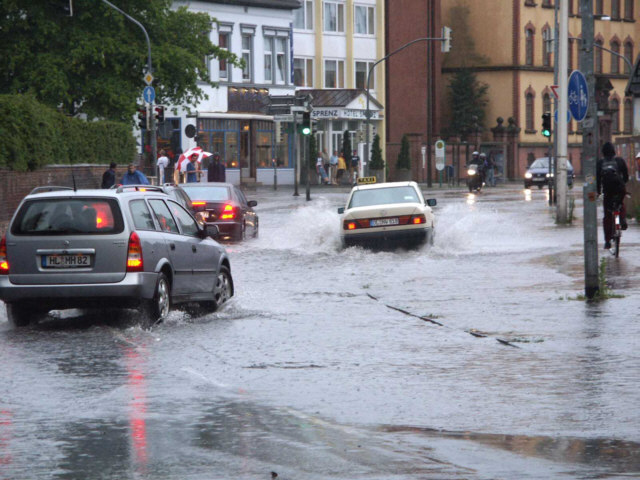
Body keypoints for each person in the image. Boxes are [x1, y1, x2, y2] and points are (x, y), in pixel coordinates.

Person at [597, 141, 629, 250]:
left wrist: (598, 192)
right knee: (621, 203)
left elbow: (597, 179)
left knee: (607, 215)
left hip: (608, 191)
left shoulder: (600, 163)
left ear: (603, 152)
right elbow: (626, 176)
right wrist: (623, 184)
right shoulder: (619, 161)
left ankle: (607, 241)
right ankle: (623, 219)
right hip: (619, 189)